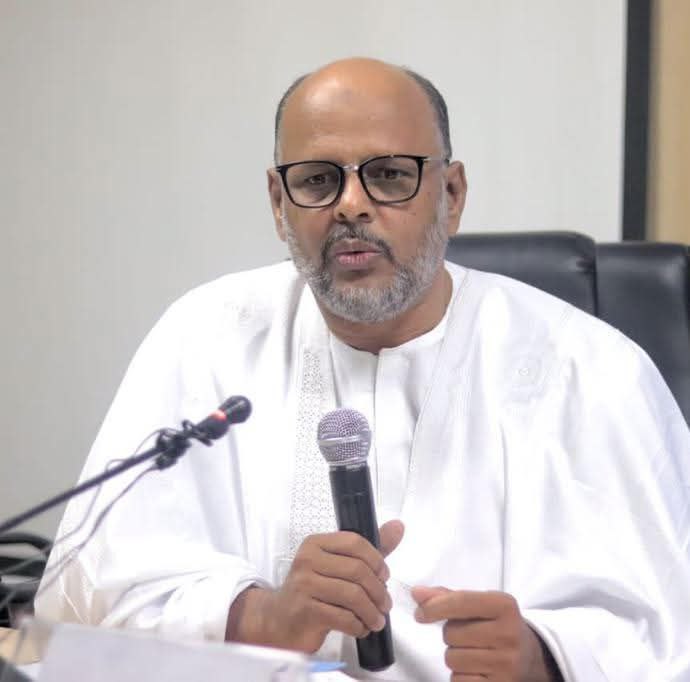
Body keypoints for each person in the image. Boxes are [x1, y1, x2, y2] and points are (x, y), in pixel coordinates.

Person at [36, 58, 690, 681]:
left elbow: (667, 629)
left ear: (452, 194)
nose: (351, 205)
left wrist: (543, 660)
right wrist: (263, 617)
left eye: (390, 175)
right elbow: (83, 602)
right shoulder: (203, 337)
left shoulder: (588, 370)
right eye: (318, 181)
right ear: (278, 203)